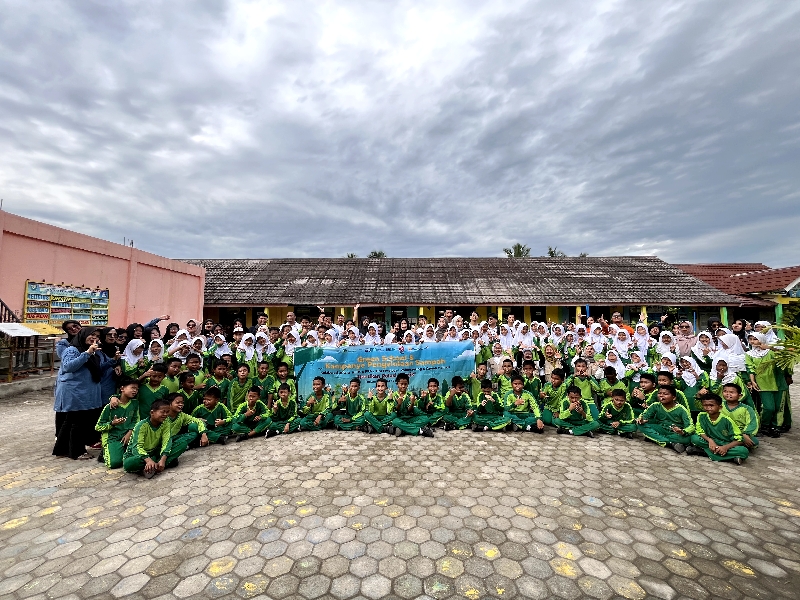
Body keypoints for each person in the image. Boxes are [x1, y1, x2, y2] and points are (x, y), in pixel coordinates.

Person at [53, 327, 114, 460]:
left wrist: (112, 360)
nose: (94, 338)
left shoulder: (93, 351)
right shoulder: (72, 350)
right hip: (75, 391)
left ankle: (62, 449)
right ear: (83, 335)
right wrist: (86, 353)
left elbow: (96, 369)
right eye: (91, 335)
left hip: (85, 392)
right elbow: (68, 366)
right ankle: (77, 451)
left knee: (70, 421)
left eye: (97, 336)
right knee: (78, 422)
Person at [123, 398, 183, 478]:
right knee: (131, 463)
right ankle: (153, 464)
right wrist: (148, 459)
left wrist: (163, 459)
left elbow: (167, 441)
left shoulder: (165, 422)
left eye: (167, 412)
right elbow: (136, 448)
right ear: (152, 412)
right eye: (162, 412)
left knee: (182, 443)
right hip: (136, 455)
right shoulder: (141, 425)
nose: (165, 414)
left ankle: (154, 466)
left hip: (154, 452)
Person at [687, 396, 748, 464]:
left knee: (743, 451)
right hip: (710, 442)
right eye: (705, 405)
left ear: (720, 407)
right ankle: (730, 458)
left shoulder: (727, 420)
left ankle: (703, 452)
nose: (708, 407)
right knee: (694, 438)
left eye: (711, 405)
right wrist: (710, 440)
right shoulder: (701, 415)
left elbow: (739, 439)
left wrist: (725, 447)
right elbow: (699, 431)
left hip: (725, 443)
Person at [95, 378, 140, 468]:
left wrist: (130, 432)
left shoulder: (135, 403)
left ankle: (120, 450)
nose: (135, 391)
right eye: (132, 388)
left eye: (137, 389)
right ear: (122, 388)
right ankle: (104, 453)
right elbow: (98, 427)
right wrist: (112, 424)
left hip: (128, 435)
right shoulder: (110, 407)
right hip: (112, 437)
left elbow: (136, 420)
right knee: (114, 463)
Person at [745, 332, 783, 437]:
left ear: (762, 339)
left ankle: (774, 427)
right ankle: (765, 425)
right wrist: (753, 381)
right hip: (762, 383)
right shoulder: (749, 354)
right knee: (769, 407)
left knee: (777, 407)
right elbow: (750, 368)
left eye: (755, 339)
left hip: (776, 382)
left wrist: (770, 347)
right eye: (750, 339)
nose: (752, 341)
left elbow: (784, 355)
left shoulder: (770, 352)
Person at [635, 384, 694, 453]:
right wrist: (641, 420)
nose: (661, 395)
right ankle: (669, 443)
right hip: (661, 428)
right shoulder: (655, 405)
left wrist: (682, 431)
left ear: (674, 397)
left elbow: (691, 426)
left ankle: (656, 438)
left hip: (675, 433)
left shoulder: (681, 409)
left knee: (689, 439)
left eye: (665, 394)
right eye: (659, 393)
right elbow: (644, 416)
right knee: (640, 425)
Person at [721, 383, 759, 451]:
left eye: (731, 392)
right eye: (725, 391)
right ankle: (735, 449)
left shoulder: (747, 409)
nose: (728, 394)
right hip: (721, 433)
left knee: (754, 441)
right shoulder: (719, 405)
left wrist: (746, 434)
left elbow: (752, 423)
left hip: (740, 434)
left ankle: (726, 447)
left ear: (740, 396)